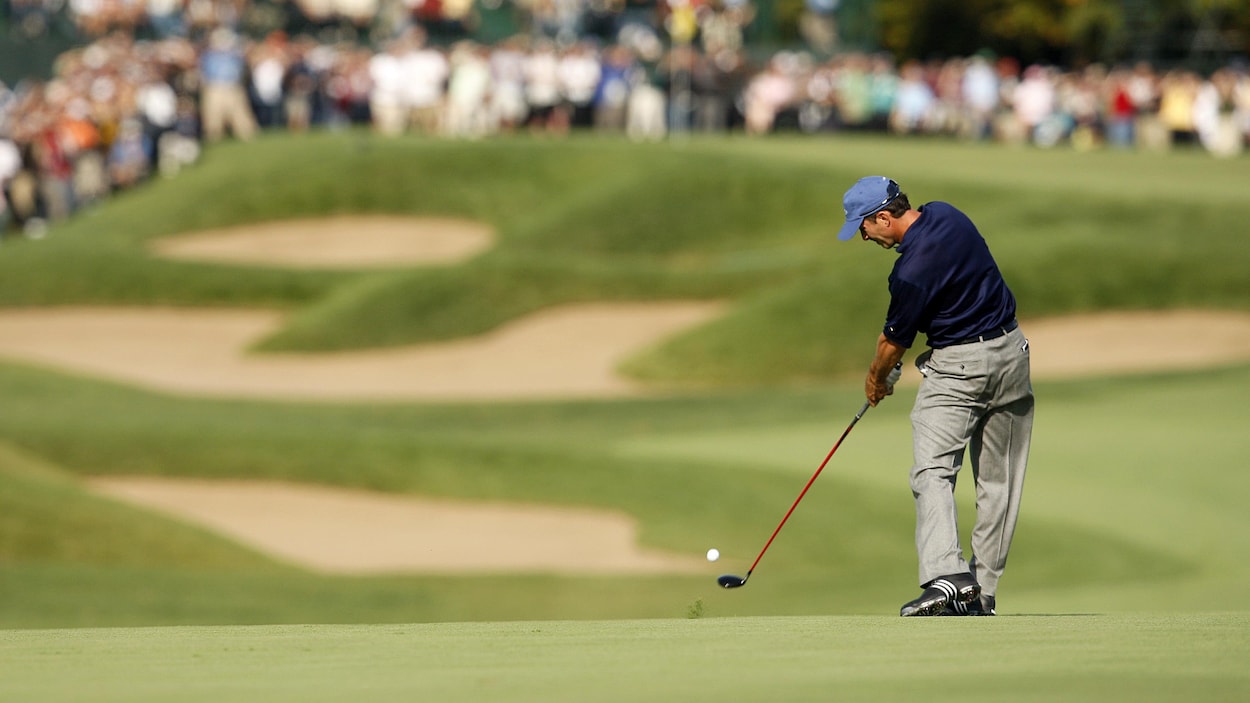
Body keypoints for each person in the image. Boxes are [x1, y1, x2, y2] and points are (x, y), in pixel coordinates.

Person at [836, 176, 1033, 617]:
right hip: (1013, 354)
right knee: (1000, 482)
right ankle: (981, 593)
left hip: (960, 370)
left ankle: (948, 575)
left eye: (864, 227)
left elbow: (892, 345)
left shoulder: (908, 273)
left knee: (933, 470)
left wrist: (875, 380)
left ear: (883, 217)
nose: (863, 236)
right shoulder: (948, 213)